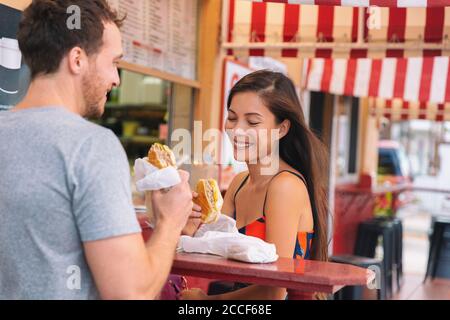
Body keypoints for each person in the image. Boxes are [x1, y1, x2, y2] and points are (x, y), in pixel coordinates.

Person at [0, 0, 200, 299]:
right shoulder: (91, 147)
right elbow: (130, 293)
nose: (116, 78)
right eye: (113, 62)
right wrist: (171, 223)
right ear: (77, 59)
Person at [181, 70, 329, 300]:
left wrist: (208, 303)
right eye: (232, 118)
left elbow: (275, 291)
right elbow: (212, 249)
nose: (237, 130)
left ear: (282, 129)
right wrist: (188, 228)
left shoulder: (285, 186)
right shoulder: (239, 183)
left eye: (252, 122)